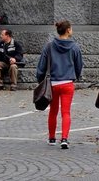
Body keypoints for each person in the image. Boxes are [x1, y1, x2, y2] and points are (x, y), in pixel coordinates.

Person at [36, 20, 83, 149]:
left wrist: (40, 79)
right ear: (68, 30)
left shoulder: (49, 46)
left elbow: (41, 66)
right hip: (67, 83)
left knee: (53, 111)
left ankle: (52, 138)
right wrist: (75, 76)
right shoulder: (75, 47)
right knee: (66, 112)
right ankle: (64, 138)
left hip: (53, 83)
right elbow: (79, 65)